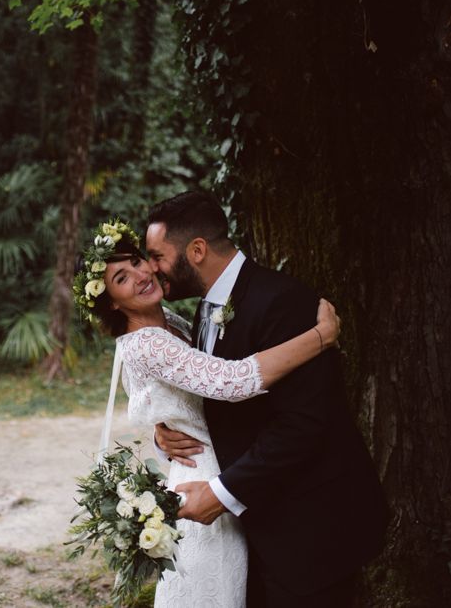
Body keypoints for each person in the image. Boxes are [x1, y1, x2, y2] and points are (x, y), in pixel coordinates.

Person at [73, 219, 341, 607]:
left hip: (226, 469)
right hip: (204, 485)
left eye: (136, 261)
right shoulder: (145, 343)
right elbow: (232, 382)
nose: (141, 274)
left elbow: (160, 399)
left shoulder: (173, 323)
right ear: (111, 301)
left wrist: (161, 436)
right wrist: (319, 338)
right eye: (121, 277)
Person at [145, 191, 389, 607]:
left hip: (309, 531)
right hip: (254, 531)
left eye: (156, 255)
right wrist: (167, 434)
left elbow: (304, 425)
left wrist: (221, 495)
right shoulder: (201, 313)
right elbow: (212, 402)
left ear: (197, 250)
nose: (150, 268)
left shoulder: (282, 301)